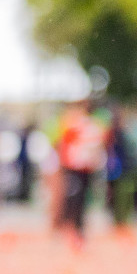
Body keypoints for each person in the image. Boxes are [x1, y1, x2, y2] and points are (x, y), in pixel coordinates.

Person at [55, 99, 108, 245]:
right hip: (75, 168)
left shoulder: (89, 126)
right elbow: (65, 145)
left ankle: (76, 231)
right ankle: (70, 229)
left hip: (83, 168)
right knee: (74, 199)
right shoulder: (77, 125)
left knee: (80, 200)